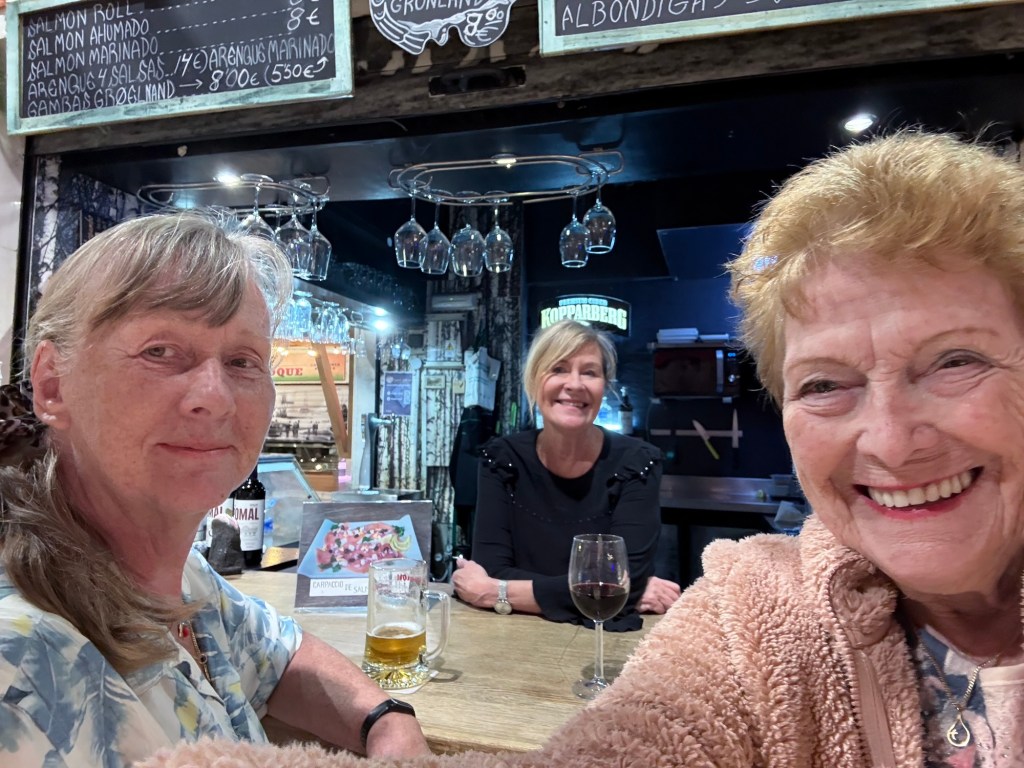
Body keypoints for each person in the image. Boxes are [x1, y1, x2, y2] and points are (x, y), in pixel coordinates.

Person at [141, 131, 1024, 768]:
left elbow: (575, 584)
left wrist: (511, 592)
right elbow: (608, 657)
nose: (891, 438)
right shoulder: (761, 613)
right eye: (826, 383)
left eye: (955, 362)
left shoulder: (639, 467)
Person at [0, 213, 430, 766]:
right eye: (160, 351)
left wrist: (387, 719)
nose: (216, 396)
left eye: (242, 361)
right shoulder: (21, 664)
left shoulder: (181, 577)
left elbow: (281, 654)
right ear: (52, 385)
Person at [452, 319, 681, 624]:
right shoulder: (502, 459)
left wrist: (496, 592)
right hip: (510, 634)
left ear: (604, 386)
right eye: (558, 369)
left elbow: (622, 582)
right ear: (535, 380)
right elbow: (493, 568)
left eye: (590, 372)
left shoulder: (637, 463)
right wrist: (604, 591)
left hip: (602, 641)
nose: (574, 384)